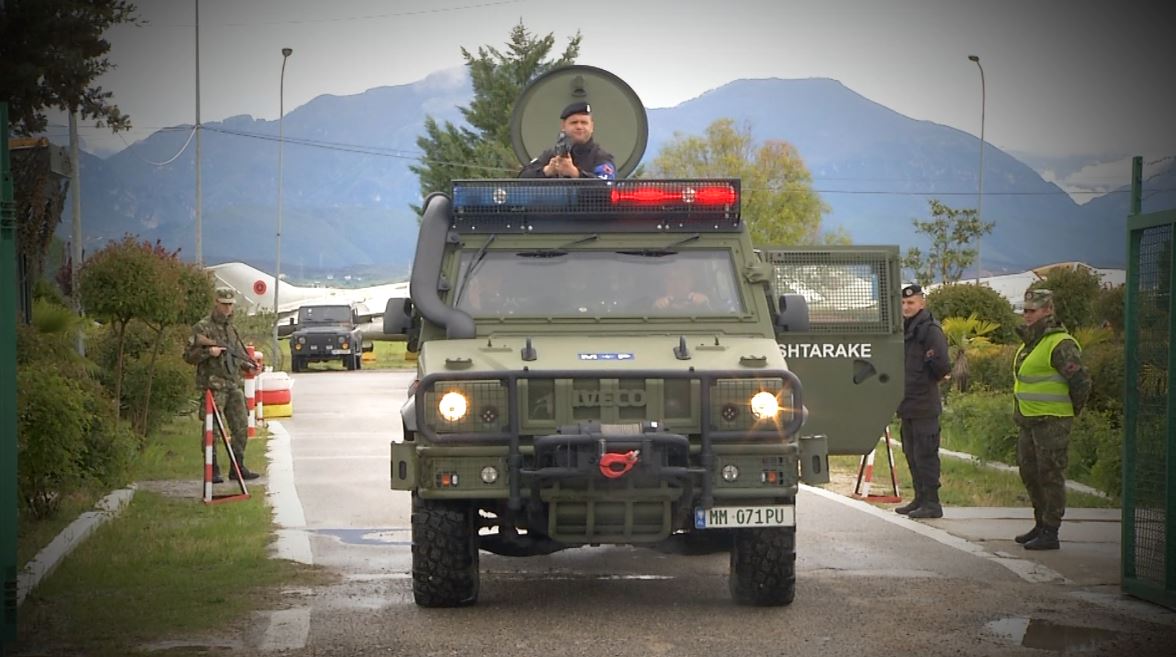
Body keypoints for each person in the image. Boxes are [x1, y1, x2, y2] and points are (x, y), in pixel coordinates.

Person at [1012, 288, 1091, 550]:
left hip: (1052, 421)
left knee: (1050, 475)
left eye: (1032, 311)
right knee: (1030, 473)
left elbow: (1080, 382)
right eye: (1024, 310)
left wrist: (1072, 412)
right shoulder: (1031, 342)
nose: (1026, 315)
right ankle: (1040, 523)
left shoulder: (1061, 343)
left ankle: (1051, 530)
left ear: (1048, 311)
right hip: (1029, 420)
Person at [183, 288, 261, 482]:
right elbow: (188, 357)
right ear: (216, 303)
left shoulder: (230, 328)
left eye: (230, 305)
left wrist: (250, 366)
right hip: (213, 387)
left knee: (241, 425)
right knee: (212, 430)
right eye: (224, 304)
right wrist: (209, 353)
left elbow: (234, 354)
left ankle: (238, 466)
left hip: (232, 385)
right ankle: (213, 468)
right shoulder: (202, 328)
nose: (227, 308)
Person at [894, 283, 951, 519]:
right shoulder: (905, 330)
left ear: (922, 303)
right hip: (907, 404)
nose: (907, 307)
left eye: (911, 303)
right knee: (911, 452)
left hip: (924, 404)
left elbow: (941, 366)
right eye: (904, 303)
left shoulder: (930, 330)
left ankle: (932, 503)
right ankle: (919, 498)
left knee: (926, 454)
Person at [519, 101, 616, 180]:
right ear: (563, 126)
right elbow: (521, 179)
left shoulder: (601, 157)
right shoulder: (551, 155)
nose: (579, 126)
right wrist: (547, 171)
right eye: (574, 123)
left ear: (592, 127)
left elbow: (606, 185)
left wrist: (576, 174)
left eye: (584, 122)